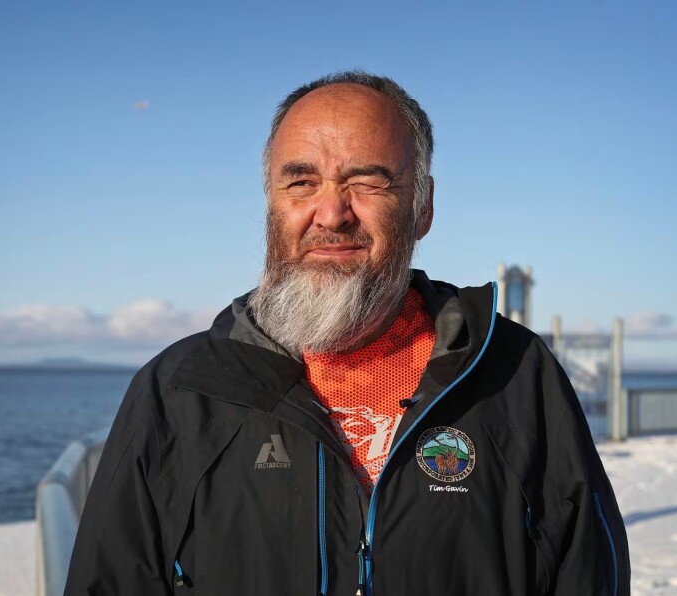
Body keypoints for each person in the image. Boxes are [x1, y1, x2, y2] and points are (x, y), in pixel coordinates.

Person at [64, 70, 630, 595]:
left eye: (366, 182)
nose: (331, 213)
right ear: (271, 207)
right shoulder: (181, 391)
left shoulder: (514, 374)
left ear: (422, 206)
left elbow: (587, 574)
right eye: (301, 183)